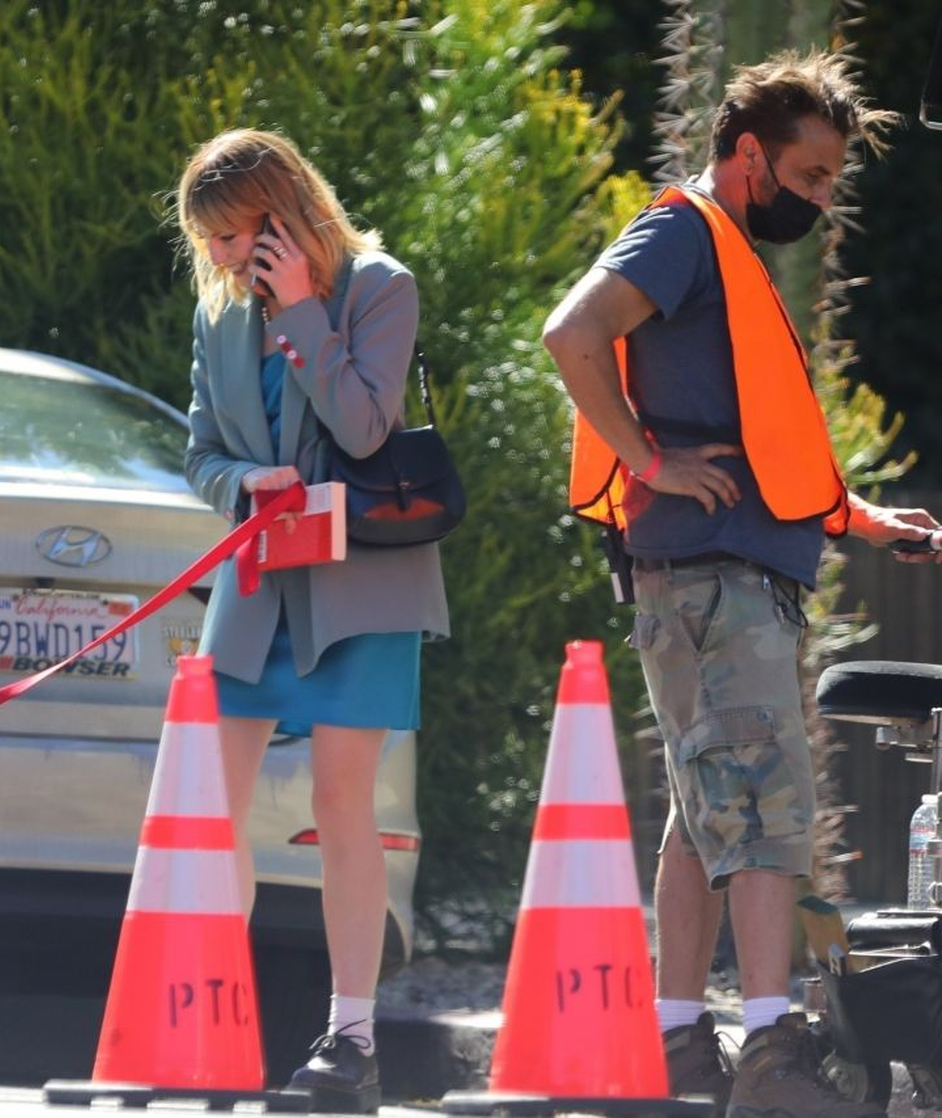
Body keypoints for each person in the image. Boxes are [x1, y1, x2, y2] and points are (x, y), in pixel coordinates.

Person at [544, 50, 940, 1118]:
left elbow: (765, 453)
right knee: (765, 810)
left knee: (702, 813)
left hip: (712, 579)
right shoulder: (684, 231)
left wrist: (859, 519)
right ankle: (768, 1052)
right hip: (712, 582)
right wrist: (644, 456)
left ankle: (678, 1042)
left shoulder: (720, 255)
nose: (819, 200)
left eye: (830, 184)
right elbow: (571, 335)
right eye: (809, 177)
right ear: (749, 153)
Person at [175, 128, 449, 1112]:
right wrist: (246, 480)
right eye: (204, 238)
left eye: (227, 234)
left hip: (361, 584)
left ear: (281, 218)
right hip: (258, 584)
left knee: (343, 806)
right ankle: (204, 1016)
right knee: (207, 807)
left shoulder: (380, 285)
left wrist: (300, 307)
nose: (212, 256)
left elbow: (366, 424)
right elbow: (200, 450)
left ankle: (351, 1037)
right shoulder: (216, 316)